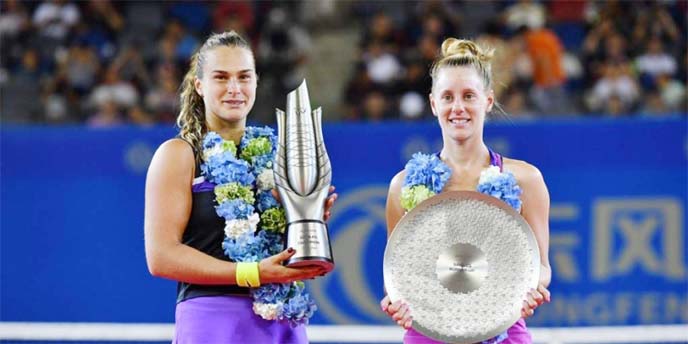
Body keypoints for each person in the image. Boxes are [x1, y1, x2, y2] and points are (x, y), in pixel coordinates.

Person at [144, 31, 336, 343]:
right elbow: (162, 256)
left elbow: (285, 250)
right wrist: (252, 273)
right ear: (200, 85)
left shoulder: (278, 155)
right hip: (213, 322)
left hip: (280, 319)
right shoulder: (178, 155)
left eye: (244, 77)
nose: (234, 89)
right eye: (221, 77)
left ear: (256, 82)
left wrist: (308, 216)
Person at [380, 38, 552, 344]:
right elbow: (399, 272)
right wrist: (395, 301)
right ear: (434, 104)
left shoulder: (526, 179)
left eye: (468, 96)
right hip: (428, 334)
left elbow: (540, 266)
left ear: (487, 100)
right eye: (447, 97)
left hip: (504, 332)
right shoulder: (403, 186)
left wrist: (533, 288)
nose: (457, 108)